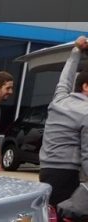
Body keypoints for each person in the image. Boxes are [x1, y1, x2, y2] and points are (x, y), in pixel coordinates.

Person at [39, 36, 88, 208]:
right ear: (85, 86)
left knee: (50, 217)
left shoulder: (59, 100)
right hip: (67, 174)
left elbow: (64, 79)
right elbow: (87, 155)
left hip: (45, 170)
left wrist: (76, 51)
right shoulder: (86, 112)